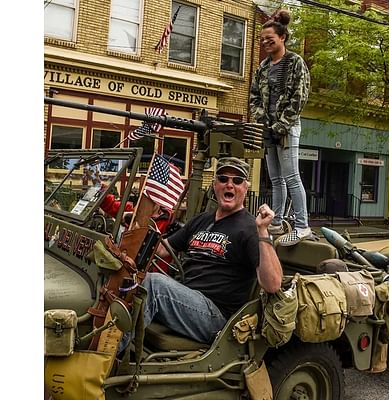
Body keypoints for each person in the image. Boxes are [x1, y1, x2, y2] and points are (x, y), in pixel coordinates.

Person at [120, 157, 283, 350]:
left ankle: (106, 356)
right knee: (130, 278)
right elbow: (163, 249)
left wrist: (263, 231)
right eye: (223, 179)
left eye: (237, 181)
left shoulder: (250, 228)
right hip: (187, 299)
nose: (229, 184)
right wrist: (136, 230)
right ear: (215, 185)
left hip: (216, 316)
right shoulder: (202, 220)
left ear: (245, 188)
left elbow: (273, 284)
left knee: (154, 285)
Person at [249, 9, 312, 247]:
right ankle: (276, 221)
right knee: (275, 179)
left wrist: (280, 125)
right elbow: (254, 96)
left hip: (288, 129)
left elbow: (300, 97)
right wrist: (263, 121)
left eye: (270, 39)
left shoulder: (295, 63)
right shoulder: (263, 67)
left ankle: (302, 225)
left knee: (292, 177)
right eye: (262, 39)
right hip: (269, 129)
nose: (265, 42)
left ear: (282, 37)